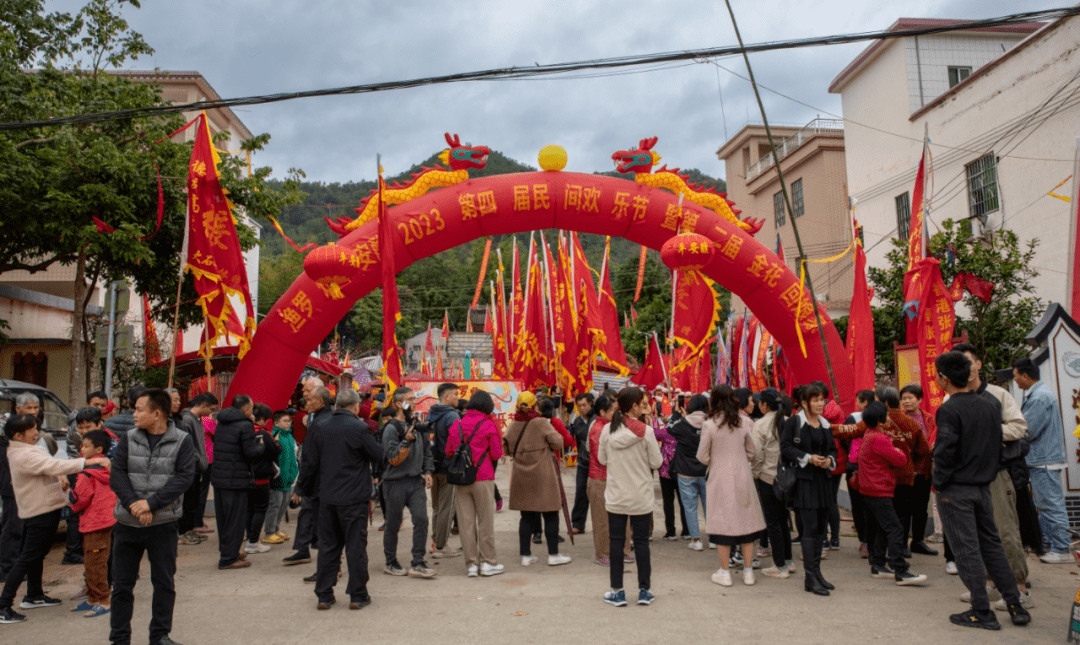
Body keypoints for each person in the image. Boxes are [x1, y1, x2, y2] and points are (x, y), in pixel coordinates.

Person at [934, 352, 1030, 629]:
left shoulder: (949, 409)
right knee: (992, 546)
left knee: (967, 551)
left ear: (944, 379)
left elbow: (945, 452)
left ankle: (981, 611)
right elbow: (998, 445)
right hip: (984, 486)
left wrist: (939, 482)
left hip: (956, 489)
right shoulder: (989, 405)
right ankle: (1015, 605)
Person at [109, 388, 197, 645]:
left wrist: (151, 504)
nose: (134, 414)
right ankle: (119, 638)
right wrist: (134, 505)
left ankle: (160, 635)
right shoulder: (129, 437)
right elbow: (117, 473)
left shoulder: (182, 440)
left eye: (139, 410)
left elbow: (184, 478)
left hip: (163, 523)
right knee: (122, 585)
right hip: (127, 523)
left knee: (164, 583)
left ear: (157, 413)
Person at [0, 415, 100, 624]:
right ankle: (3, 605)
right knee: (28, 557)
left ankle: (34, 595)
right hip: (39, 511)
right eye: (31, 429)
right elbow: (53, 465)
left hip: (46, 507)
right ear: (18, 435)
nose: (36, 432)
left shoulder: (29, 448)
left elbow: (51, 465)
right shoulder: (21, 454)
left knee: (36, 555)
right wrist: (89, 462)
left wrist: (60, 476)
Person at [295, 389, 383, 610]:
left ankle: (324, 595)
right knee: (355, 547)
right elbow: (378, 455)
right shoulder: (359, 427)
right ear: (355, 406)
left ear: (336, 406)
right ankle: (358, 595)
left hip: (327, 496)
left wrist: (303, 489)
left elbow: (309, 463)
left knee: (328, 547)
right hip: (354, 497)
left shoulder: (319, 426)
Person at [598, 387, 663, 607]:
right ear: (633, 406)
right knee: (641, 542)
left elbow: (602, 459)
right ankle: (644, 591)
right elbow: (656, 462)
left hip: (616, 495)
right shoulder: (646, 431)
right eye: (642, 403)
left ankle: (617, 592)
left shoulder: (608, 430)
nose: (644, 406)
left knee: (616, 542)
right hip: (641, 496)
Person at [697, 385, 766, 588]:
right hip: (742, 475)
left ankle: (725, 572)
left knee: (722, 524)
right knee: (747, 523)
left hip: (719, 477)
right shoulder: (744, 422)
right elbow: (752, 451)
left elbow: (702, 455)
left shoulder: (709, 425)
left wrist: (715, 461)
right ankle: (748, 572)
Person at [856, 401, 928, 586]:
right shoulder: (879, 438)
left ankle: (879, 564)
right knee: (895, 528)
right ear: (880, 420)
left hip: (872, 488)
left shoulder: (869, 434)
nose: (889, 418)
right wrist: (897, 451)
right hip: (879, 489)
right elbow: (901, 460)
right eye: (886, 415)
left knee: (883, 527)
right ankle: (901, 570)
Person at [780, 383, 837, 597]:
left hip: (823, 481)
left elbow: (832, 449)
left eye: (822, 399)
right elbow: (785, 448)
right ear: (805, 403)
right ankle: (810, 576)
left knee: (822, 529)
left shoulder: (825, 423)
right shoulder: (795, 422)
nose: (821, 403)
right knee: (810, 529)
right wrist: (808, 458)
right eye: (816, 400)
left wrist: (829, 460)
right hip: (804, 482)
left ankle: (817, 574)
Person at [1013, 356, 1072, 564]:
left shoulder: (1039, 398)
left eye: (1016, 376)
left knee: (1051, 504)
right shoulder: (1039, 394)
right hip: (1042, 458)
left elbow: (1027, 430)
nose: (1015, 380)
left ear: (1025, 376)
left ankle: (1062, 549)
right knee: (1044, 503)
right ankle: (1048, 542)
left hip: (1043, 459)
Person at [503, 392, 570, 567]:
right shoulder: (541, 422)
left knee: (526, 517)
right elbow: (558, 443)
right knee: (551, 514)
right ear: (535, 406)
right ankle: (553, 554)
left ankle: (526, 555)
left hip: (521, 476)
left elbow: (506, 448)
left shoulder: (513, 425)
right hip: (543, 475)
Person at [445, 390, 504, 577]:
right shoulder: (488, 425)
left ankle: (471, 565)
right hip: (483, 477)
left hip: (461, 479)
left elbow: (449, 452)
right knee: (485, 522)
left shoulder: (457, 424)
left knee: (466, 524)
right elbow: (496, 453)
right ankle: (488, 563)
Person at [381, 387, 437, 578]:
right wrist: (405, 441)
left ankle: (418, 561)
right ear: (398, 404)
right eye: (410, 399)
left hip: (415, 482)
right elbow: (392, 458)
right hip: (394, 483)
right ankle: (390, 561)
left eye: (415, 398)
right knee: (393, 523)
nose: (414, 402)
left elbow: (427, 451)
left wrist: (427, 471)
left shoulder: (417, 425)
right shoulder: (391, 428)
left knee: (421, 520)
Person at [211, 394, 266, 570]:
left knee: (224, 519)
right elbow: (250, 452)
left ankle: (228, 551)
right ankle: (228, 558)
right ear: (246, 408)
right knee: (235, 520)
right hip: (236, 478)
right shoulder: (245, 425)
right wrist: (261, 446)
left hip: (220, 477)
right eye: (251, 407)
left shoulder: (222, 421)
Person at [68, 430, 118, 618]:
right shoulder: (106, 469)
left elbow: (80, 499)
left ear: (98, 449)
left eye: (86, 445)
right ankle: (93, 598)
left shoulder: (87, 473)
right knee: (95, 561)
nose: (82, 448)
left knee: (94, 564)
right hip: (104, 520)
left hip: (94, 521)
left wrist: (68, 499)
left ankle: (103, 600)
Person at [284, 385, 333, 566]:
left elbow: (310, 459)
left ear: (319, 401)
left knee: (318, 517)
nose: (306, 402)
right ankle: (304, 549)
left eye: (310, 399)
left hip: (319, 480)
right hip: (324, 479)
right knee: (309, 515)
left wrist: (300, 487)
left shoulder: (320, 423)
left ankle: (327, 560)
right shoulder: (326, 418)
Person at [586, 395, 635, 565]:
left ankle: (624, 550)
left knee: (623, 516)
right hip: (600, 479)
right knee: (602, 519)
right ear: (602, 412)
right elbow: (601, 458)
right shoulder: (598, 429)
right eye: (614, 410)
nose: (617, 413)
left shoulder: (615, 426)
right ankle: (603, 553)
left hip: (617, 477)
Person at [751, 388, 794, 578]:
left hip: (768, 477)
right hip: (787, 478)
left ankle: (780, 566)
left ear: (765, 405)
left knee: (773, 523)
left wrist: (756, 473)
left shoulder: (760, 424)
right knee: (783, 520)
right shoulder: (788, 421)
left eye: (759, 402)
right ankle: (788, 560)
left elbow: (757, 454)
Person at [898, 385, 938, 556]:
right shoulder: (899, 419)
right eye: (904, 398)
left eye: (910, 398)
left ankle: (918, 541)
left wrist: (933, 446)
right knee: (904, 509)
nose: (907, 401)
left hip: (924, 471)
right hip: (905, 471)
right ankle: (901, 544)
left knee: (921, 508)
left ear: (920, 399)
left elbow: (934, 436)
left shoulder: (928, 418)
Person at [531, 396, 574, 545]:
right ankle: (553, 532)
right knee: (552, 500)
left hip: (534, 465)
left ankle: (537, 533)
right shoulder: (556, 422)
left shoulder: (532, 423)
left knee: (536, 500)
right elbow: (568, 441)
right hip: (551, 465)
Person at [668, 395, 710, 545]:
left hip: (685, 471)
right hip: (706, 471)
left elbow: (669, 427)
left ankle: (696, 540)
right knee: (709, 506)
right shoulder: (710, 423)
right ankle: (713, 539)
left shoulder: (682, 423)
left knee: (690, 507)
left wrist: (676, 413)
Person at [427, 383, 462, 559]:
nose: (458, 397)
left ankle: (436, 542)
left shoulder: (431, 413)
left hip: (433, 466)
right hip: (448, 467)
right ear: (446, 396)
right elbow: (457, 442)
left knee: (437, 507)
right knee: (447, 508)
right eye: (455, 394)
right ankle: (442, 546)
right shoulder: (452, 416)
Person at [177, 393, 216, 546]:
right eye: (211, 409)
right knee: (187, 501)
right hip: (189, 467)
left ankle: (190, 529)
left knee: (193, 501)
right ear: (204, 405)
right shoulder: (186, 420)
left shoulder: (197, 419)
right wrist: (198, 460)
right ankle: (183, 532)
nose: (211, 412)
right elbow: (187, 446)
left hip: (197, 467)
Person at [244, 404, 281, 556]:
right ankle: (253, 542)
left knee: (249, 509)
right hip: (261, 476)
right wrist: (276, 443)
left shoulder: (244, 431)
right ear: (261, 419)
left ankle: (250, 538)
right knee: (260, 509)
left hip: (246, 476)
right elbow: (274, 451)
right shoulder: (264, 434)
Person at [842, 390, 875, 559]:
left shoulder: (878, 418)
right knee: (859, 506)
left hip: (866, 469)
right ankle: (865, 541)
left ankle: (870, 542)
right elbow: (844, 438)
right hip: (855, 468)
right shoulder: (854, 418)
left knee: (867, 507)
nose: (856, 404)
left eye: (858, 401)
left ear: (865, 402)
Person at [262, 410, 298, 545]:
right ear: (276, 423)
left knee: (283, 505)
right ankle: (269, 532)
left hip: (288, 478)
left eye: (289, 421)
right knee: (274, 506)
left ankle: (276, 529)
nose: (288, 423)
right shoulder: (273, 436)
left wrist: (294, 472)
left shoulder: (289, 436)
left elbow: (294, 456)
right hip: (277, 478)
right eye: (285, 421)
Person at [569, 392, 595, 535]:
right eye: (579, 406)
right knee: (580, 493)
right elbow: (578, 443)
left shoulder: (597, 420)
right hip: (583, 464)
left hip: (598, 464)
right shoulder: (577, 422)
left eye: (584, 405)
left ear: (591, 403)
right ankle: (578, 524)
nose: (582, 408)